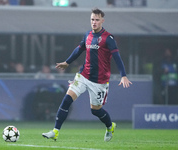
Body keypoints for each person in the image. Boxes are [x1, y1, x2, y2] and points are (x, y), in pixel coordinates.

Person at [42, 8, 132, 142]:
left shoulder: (108, 38)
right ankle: (55, 131)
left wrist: (123, 75)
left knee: (95, 110)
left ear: (102, 21)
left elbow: (117, 57)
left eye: (97, 20)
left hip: (100, 81)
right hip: (83, 75)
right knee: (66, 100)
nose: (94, 22)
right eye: (92, 19)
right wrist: (67, 62)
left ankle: (109, 126)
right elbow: (79, 49)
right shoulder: (88, 35)